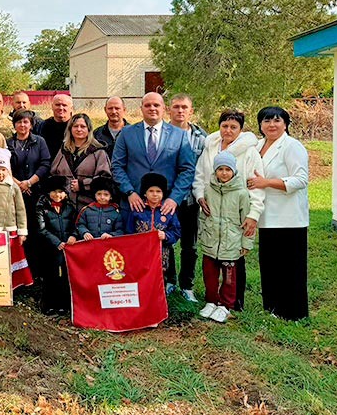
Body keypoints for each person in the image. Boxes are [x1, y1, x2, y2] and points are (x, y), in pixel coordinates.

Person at [111, 92, 196, 294]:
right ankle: (133, 290)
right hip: (134, 204)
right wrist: (130, 192)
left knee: (163, 245)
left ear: (164, 108)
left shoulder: (179, 135)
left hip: (164, 205)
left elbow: (187, 169)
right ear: (141, 108)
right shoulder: (127, 133)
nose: (152, 108)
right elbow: (117, 166)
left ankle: (163, 286)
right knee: (132, 248)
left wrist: (174, 198)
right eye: (147, 105)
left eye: (156, 105)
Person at [193, 109, 265, 310]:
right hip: (213, 209)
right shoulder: (210, 147)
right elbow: (200, 176)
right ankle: (212, 300)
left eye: (234, 127)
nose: (228, 130)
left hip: (236, 211)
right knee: (212, 259)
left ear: (241, 129)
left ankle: (232, 302)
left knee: (234, 259)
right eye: (224, 126)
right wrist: (200, 196)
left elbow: (256, 185)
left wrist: (253, 214)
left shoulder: (249, 151)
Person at [248, 106, 309, 321]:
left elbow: (300, 179)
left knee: (290, 266)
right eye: (266, 121)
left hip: (289, 216)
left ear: (285, 124)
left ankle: (293, 312)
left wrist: (267, 182)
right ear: (260, 125)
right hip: (266, 215)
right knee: (270, 264)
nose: (271, 125)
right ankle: (272, 307)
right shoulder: (257, 145)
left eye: (277, 120)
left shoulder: (292, 146)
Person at [198, 151, 253, 323]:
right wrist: (202, 233)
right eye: (220, 169)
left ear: (234, 171)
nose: (224, 173)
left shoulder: (241, 193)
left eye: (228, 169)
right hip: (211, 241)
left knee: (229, 278)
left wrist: (246, 243)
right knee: (209, 275)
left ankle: (225, 305)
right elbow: (203, 215)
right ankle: (211, 301)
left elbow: (247, 220)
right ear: (215, 171)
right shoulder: (209, 190)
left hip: (231, 243)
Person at [167, 94, 208, 302]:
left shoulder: (201, 137)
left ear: (191, 111)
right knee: (166, 242)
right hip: (167, 199)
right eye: (176, 107)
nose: (180, 111)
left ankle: (187, 285)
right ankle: (169, 280)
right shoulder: (162, 134)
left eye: (184, 107)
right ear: (169, 110)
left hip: (191, 199)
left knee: (189, 244)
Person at [0, 147, 34, 289]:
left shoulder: (13, 187)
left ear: (8, 170)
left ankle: (11, 286)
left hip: (10, 231)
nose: (0, 173)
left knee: (11, 258)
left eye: (3, 169)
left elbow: (21, 210)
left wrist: (22, 231)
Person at [6, 108, 50, 277]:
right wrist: (19, 184)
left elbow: (45, 164)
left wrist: (29, 182)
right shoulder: (8, 143)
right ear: (14, 124)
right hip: (14, 194)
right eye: (19, 122)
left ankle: (36, 272)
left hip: (35, 193)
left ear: (31, 124)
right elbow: (4, 167)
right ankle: (17, 271)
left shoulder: (40, 142)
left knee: (35, 230)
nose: (22, 125)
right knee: (17, 232)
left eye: (26, 122)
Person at [126, 173, 182, 289]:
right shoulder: (137, 210)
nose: (155, 194)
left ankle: (160, 299)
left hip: (161, 254)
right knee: (141, 279)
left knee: (160, 280)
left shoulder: (168, 211)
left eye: (158, 191)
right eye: (151, 191)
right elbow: (129, 231)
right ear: (144, 193)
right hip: (140, 254)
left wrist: (165, 236)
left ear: (163, 193)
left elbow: (176, 232)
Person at [36, 175, 78, 315]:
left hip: (67, 248)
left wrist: (73, 235)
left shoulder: (70, 208)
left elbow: (76, 225)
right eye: (54, 191)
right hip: (49, 248)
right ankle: (48, 304)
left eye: (60, 192)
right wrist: (56, 242)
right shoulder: (42, 207)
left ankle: (64, 305)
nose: (57, 195)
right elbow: (41, 229)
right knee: (50, 275)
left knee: (65, 276)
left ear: (65, 193)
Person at [50, 113, 111, 206]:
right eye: (75, 126)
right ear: (70, 129)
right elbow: (53, 174)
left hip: (89, 206)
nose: (79, 129)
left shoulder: (98, 152)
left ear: (89, 129)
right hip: (65, 206)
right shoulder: (63, 150)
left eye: (83, 126)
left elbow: (105, 179)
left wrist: (83, 185)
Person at [35, 94, 72, 161]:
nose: (61, 108)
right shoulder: (42, 126)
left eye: (64, 105)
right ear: (52, 107)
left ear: (71, 108)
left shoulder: (77, 127)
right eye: (57, 105)